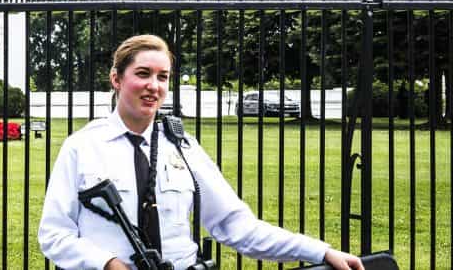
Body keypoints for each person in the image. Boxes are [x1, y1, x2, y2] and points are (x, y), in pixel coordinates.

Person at [38, 34, 364, 270]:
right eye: (142, 74)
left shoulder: (182, 146)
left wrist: (319, 252)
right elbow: (54, 235)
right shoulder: (83, 147)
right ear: (116, 79)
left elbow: (237, 226)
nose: (154, 85)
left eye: (162, 76)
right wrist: (107, 264)